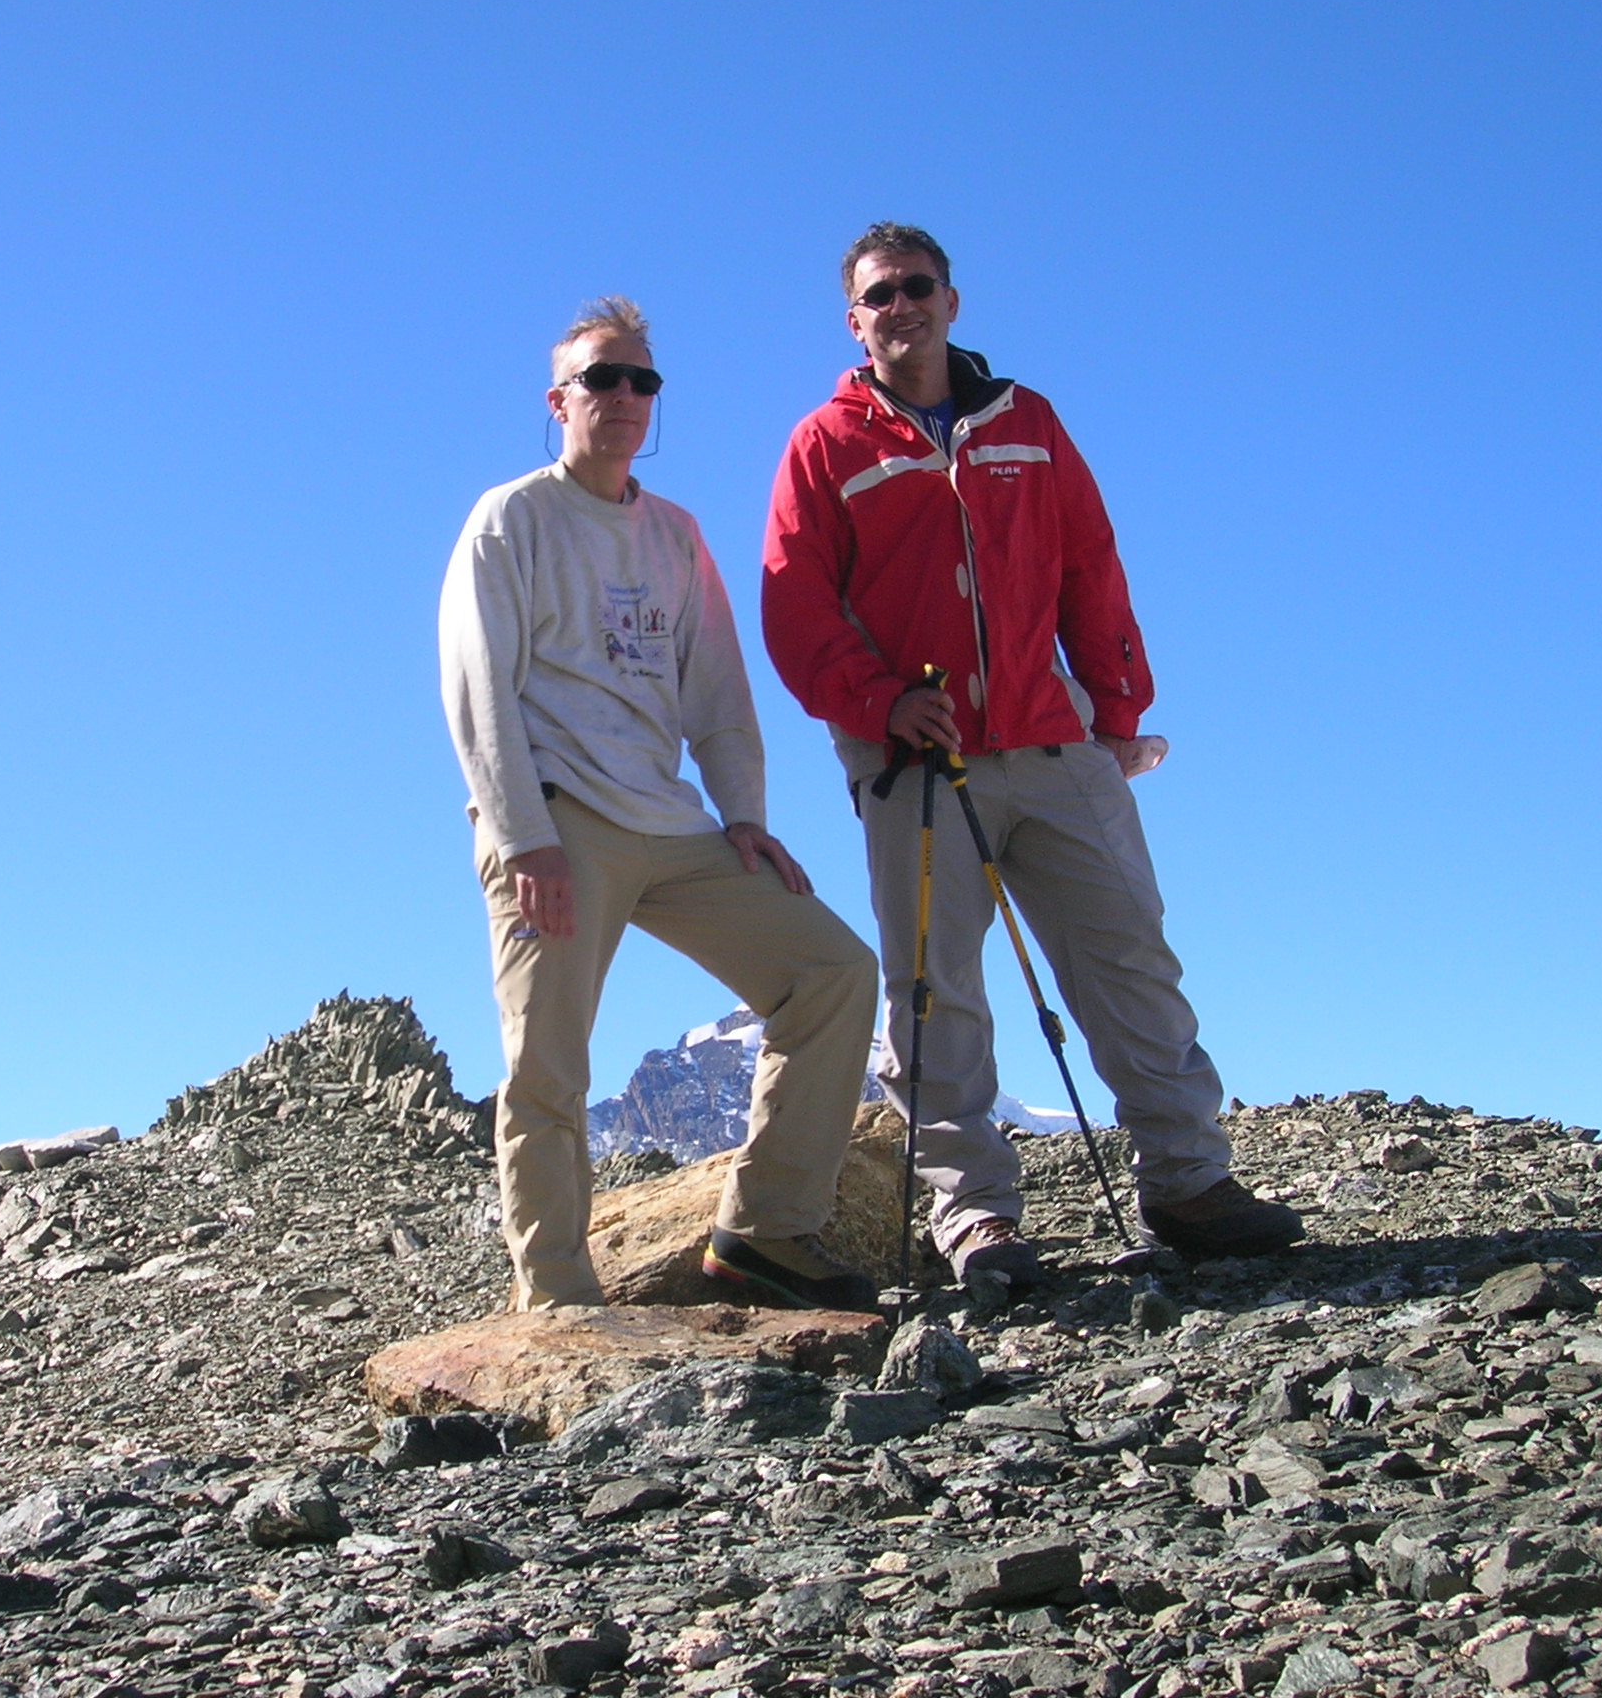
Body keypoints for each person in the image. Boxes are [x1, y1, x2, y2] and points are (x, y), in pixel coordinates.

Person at [760, 223, 1304, 1274]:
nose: (899, 307)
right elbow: (793, 604)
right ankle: (975, 1217)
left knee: (1128, 959)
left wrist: (1114, 712)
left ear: (952, 302)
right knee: (933, 988)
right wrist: (876, 705)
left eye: (916, 287)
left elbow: (1087, 566)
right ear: (852, 320)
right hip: (913, 763)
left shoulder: (1029, 423)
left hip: (1055, 749)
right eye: (878, 295)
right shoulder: (825, 445)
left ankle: (1188, 1182)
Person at [439, 296, 882, 1313]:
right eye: (602, 377)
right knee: (545, 1059)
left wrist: (744, 819)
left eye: (643, 379)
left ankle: (765, 1232)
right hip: (559, 823)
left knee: (831, 972)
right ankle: (555, 1296)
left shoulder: (674, 534)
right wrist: (521, 837)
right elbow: (477, 689)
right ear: (558, 400)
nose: (626, 396)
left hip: (676, 827)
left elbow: (718, 695)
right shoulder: (511, 518)